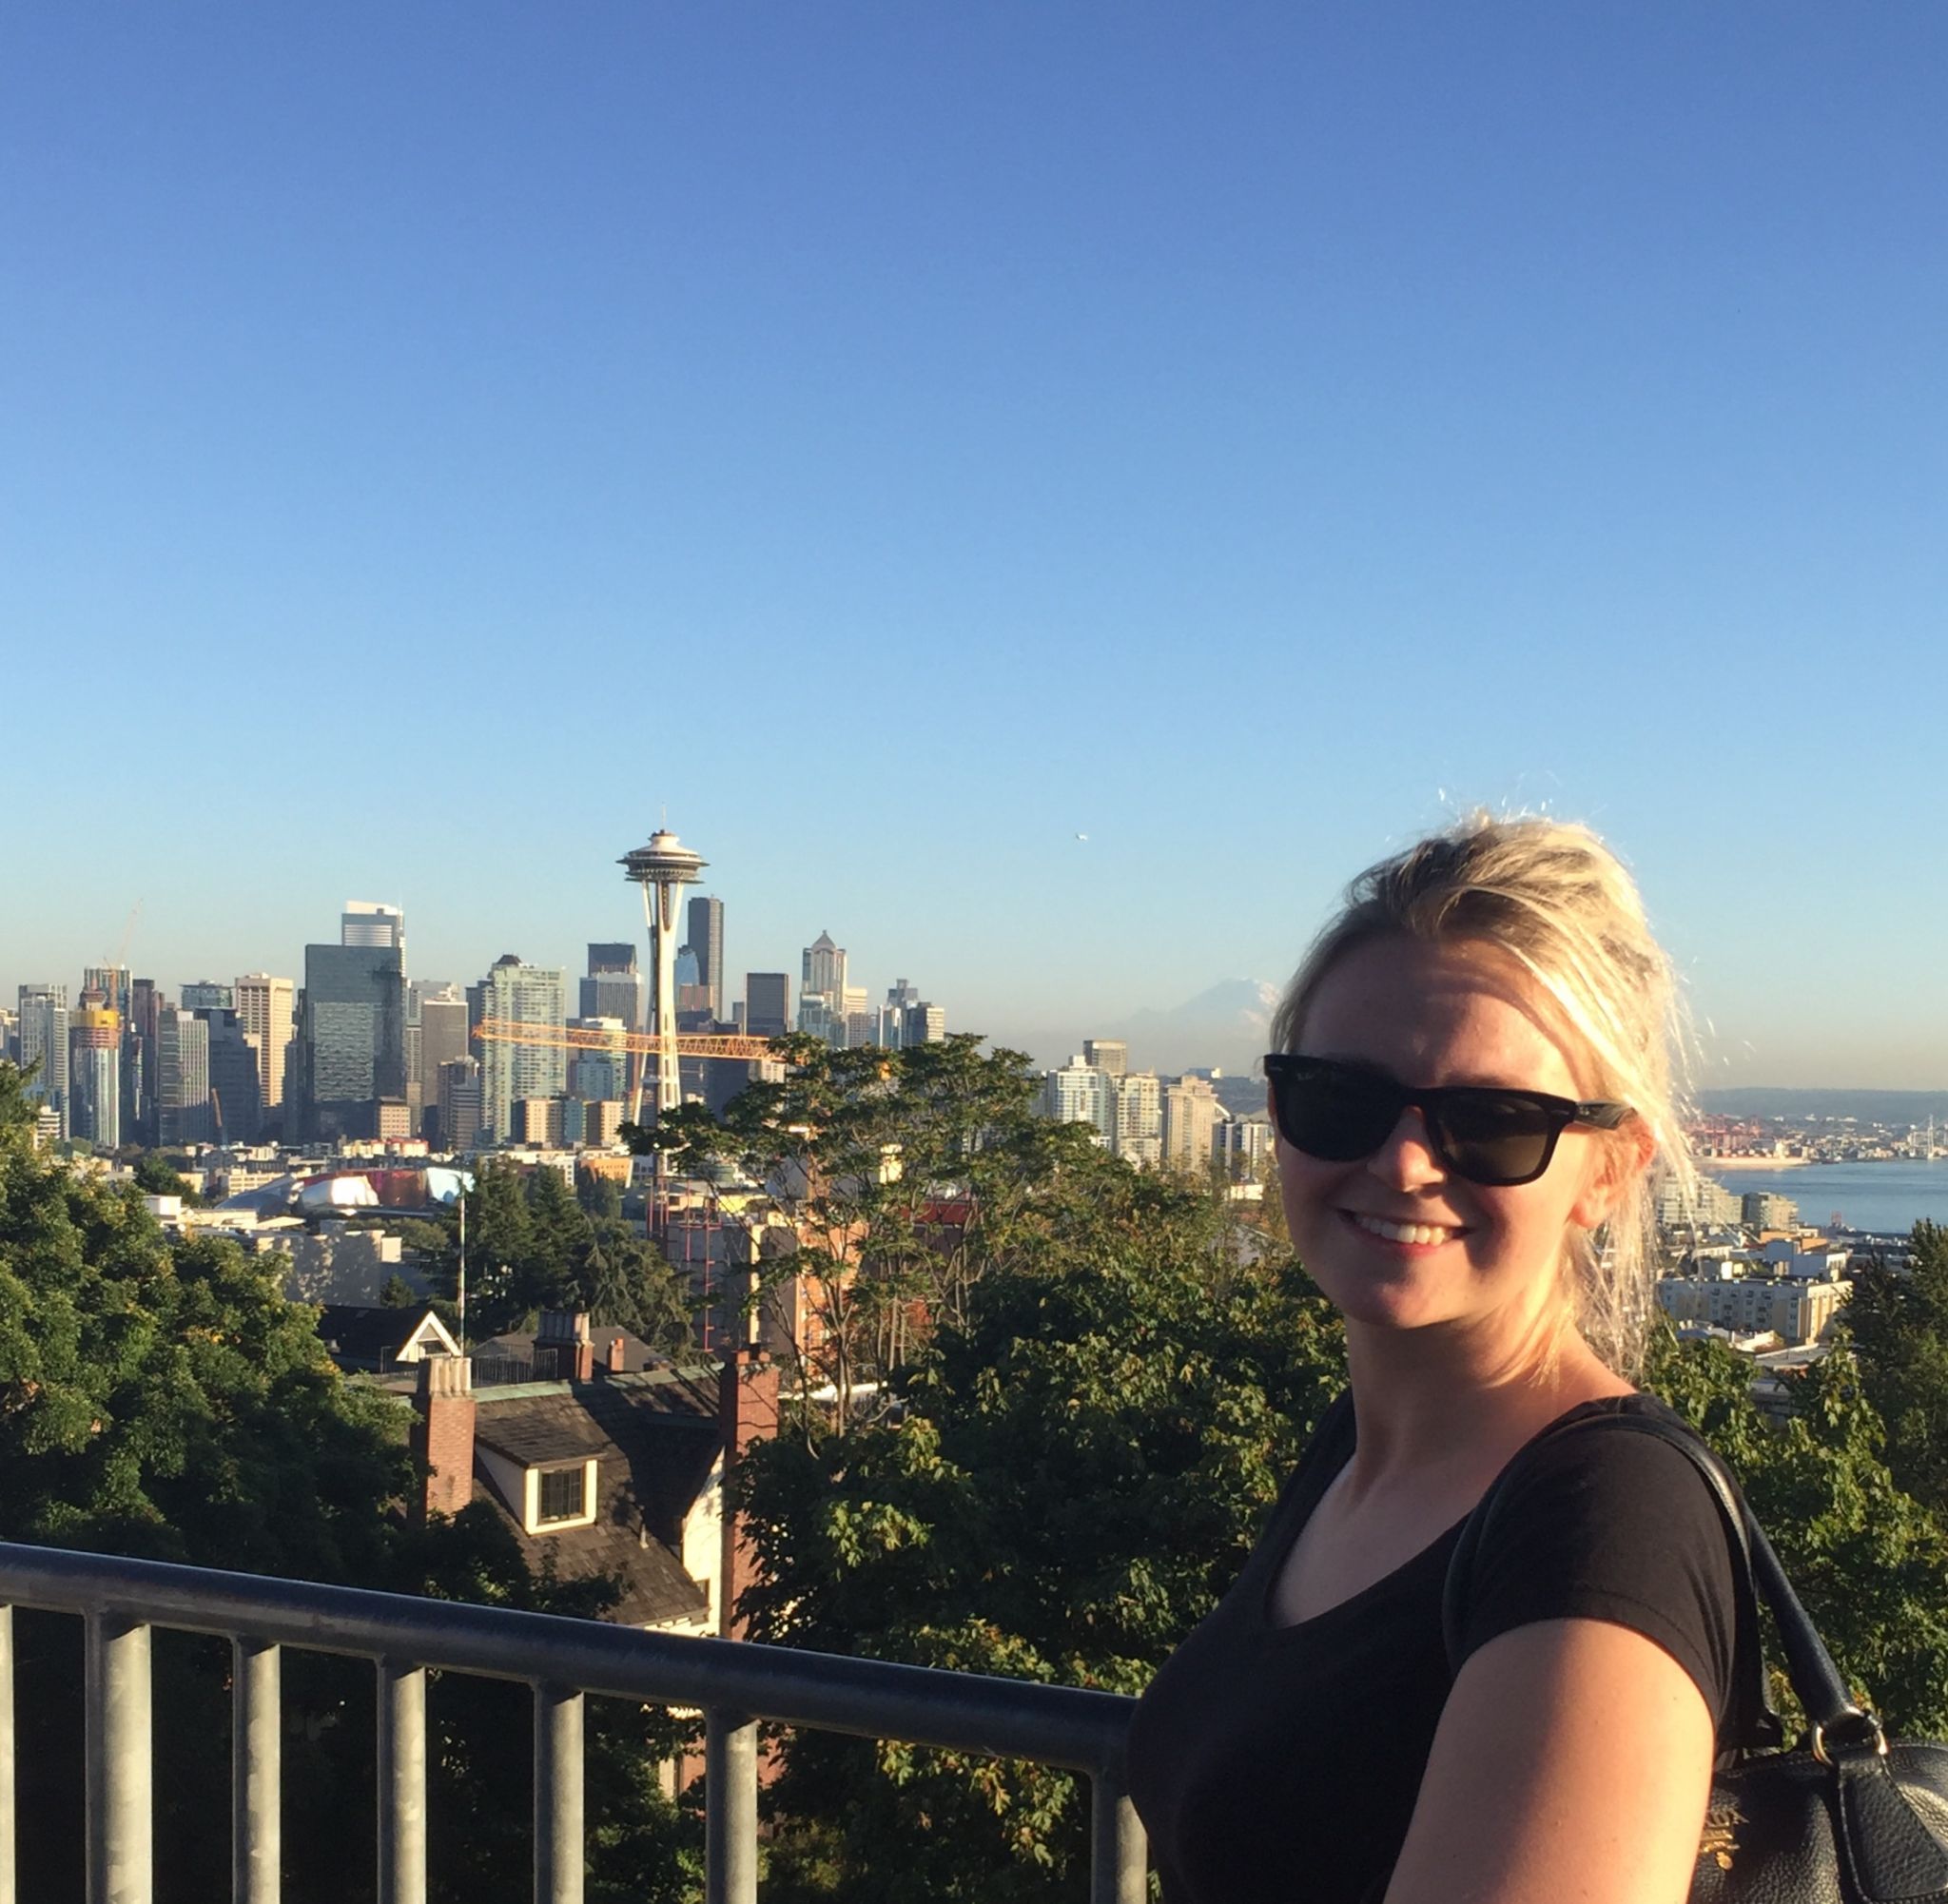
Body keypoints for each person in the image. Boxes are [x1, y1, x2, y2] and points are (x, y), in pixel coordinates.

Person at [1126, 814, 1736, 1904]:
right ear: (1272, 1111)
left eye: (1492, 1121)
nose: (1401, 1161)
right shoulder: (1355, 1452)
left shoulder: (1603, 1524)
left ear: (1606, 1174)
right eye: (1336, 1099)